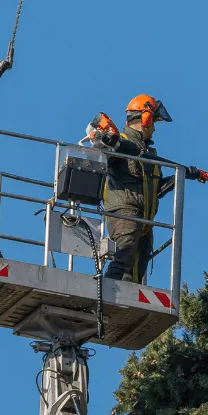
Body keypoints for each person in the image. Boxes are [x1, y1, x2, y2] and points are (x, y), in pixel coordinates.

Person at [85, 94, 175, 283]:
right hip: (125, 213)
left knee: (137, 271)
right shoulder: (118, 141)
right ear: (145, 118)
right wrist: (116, 145)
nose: (154, 128)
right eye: (154, 122)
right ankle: (107, 291)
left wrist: (181, 176)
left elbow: (155, 189)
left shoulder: (148, 153)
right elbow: (103, 154)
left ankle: (120, 297)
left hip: (145, 221)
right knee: (124, 256)